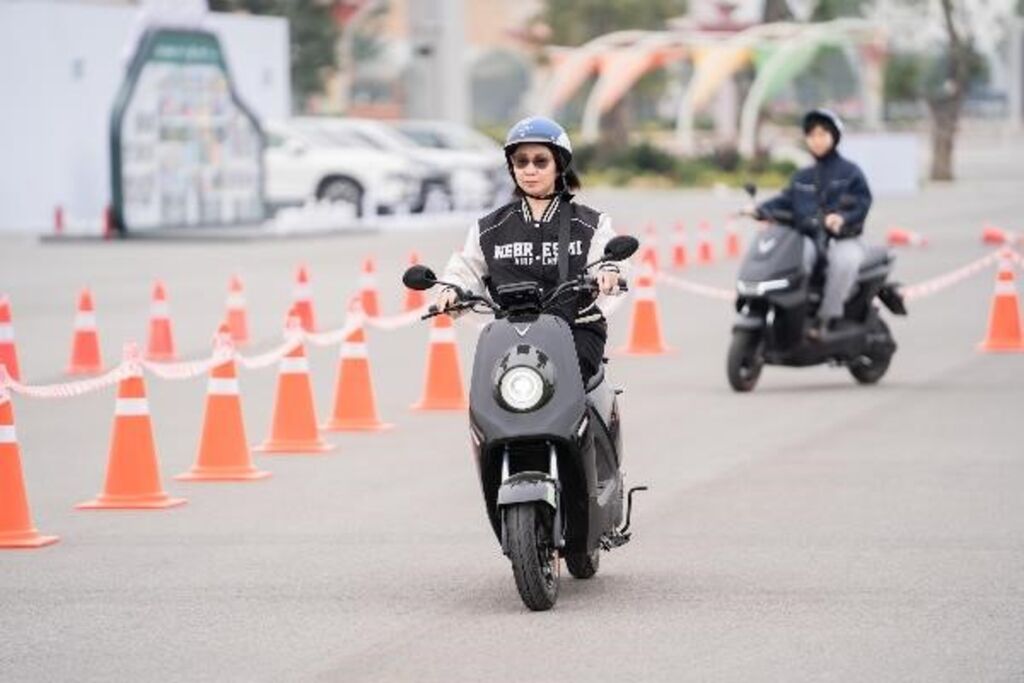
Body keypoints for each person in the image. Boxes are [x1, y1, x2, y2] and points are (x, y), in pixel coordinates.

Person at [434, 116, 628, 384]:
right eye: (521, 162)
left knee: (564, 382)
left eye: (540, 161)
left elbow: (608, 256)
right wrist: (452, 290)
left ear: (559, 165)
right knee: (488, 391)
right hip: (510, 333)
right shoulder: (488, 228)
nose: (529, 170)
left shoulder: (590, 223)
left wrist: (609, 272)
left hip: (577, 330)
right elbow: (467, 268)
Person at [744, 109, 873, 339]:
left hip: (843, 238)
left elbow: (862, 202)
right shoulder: (802, 176)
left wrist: (842, 218)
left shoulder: (850, 172)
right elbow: (785, 200)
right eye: (812, 135)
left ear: (835, 136)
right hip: (810, 237)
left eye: (823, 134)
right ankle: (795, 313)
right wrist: (758, 209)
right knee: (792, 258)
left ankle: (827, 318)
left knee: (843, 262)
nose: (817, 140)